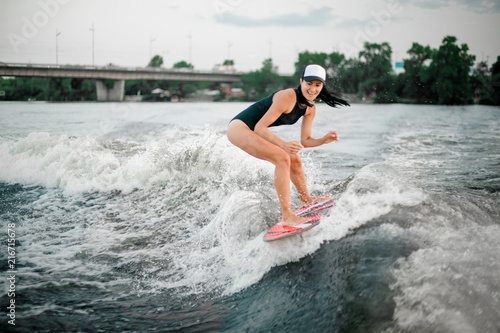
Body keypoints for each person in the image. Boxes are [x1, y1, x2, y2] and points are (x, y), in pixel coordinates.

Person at [227, 64, 349, 226]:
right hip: (239, 128)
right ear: (301, 82)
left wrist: (322, 140)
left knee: (295, 159)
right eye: (309, 83)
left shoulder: (310, 108)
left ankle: (306, 198)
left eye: (317, 85)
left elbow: (305, 141)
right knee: (283, 158)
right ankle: (287, 216)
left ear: (322, 86)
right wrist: (283, 145)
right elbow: (260, 127)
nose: (313, 88)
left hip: (254, 131)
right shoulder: (287, 97)